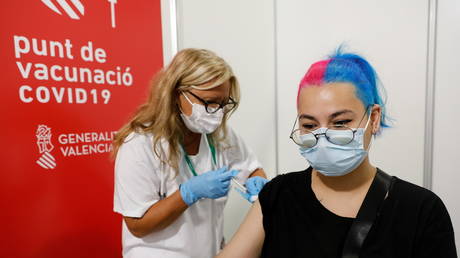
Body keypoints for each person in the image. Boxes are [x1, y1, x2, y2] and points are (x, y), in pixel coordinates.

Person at [216, 49, 457, 258]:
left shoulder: (420, 210)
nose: (323, 137)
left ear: (373, 118)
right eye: (309, 126)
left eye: (340, 123)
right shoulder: (278, 196)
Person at [112, 48, 268, 258]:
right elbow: (137, 225)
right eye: (209, 102)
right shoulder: (140, 143)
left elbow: (252, 169)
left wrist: (256, 182)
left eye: (223, 103)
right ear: (177, 94)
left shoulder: (218, 134)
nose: (217, 112)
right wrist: (188, 194)